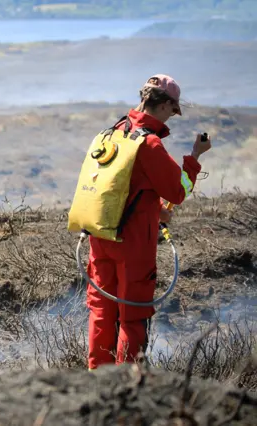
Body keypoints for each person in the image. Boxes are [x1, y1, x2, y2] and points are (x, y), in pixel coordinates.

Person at [85, 74, 212, 370]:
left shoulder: (114, 132)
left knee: (101, 311)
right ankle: (128, 387)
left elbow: (126, 187)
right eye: (172, 110)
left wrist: (154, 210)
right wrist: (195, 156)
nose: (172, 117)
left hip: (99, 236)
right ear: (165, 105)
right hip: (133, 245)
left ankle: (95, 381)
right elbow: (178, 191)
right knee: (133, 314)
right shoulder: (150, 144)